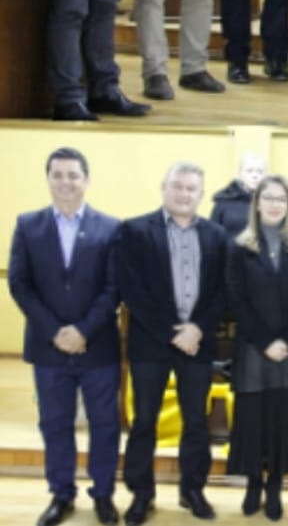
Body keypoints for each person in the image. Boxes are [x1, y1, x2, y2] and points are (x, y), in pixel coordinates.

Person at [8, 147, 122, 526]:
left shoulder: (111, 228)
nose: (65, 182)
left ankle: (103, 495)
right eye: (57, 175)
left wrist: (83, 330)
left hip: (97, 346)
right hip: (49, 347)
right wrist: (56, 331)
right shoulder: (28, 225)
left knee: (104, 425)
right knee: (55, 424)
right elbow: (20, 284)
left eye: (73, 175)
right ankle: (61, 494)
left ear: (86, 180)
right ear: (48, 179)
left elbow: (114, 288)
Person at [116, 162, 228, 525]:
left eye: (191, 188)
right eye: (177, 186)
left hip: (198, 344)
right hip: (150, 343)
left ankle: (192, 490)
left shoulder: (216, 235)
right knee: (144, 421)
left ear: (201, 194)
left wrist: (197, 329)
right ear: (163, 189)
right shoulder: (135, 231)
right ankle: (141, 494)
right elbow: (131, 290)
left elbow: (223, 290)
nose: (183, 193)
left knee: (196, 422)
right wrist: (173, 333)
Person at [225, 174, 288, 521]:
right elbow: (236, 300)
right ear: (257, 203)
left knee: (283, 419)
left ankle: (275, 486)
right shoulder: (239, 247)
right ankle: (253, 484)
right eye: (269, 198)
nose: (275, 204)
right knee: (253, 420)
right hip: (253, 346)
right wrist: (266, 342)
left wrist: (287, 341)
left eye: (281, 198)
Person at [209, 151, 267, 238]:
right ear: (240, 174)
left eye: (259, 172)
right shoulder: (225, 200)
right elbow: (212, 234)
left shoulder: (269, 201)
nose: (255, 175)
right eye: (249, 171)